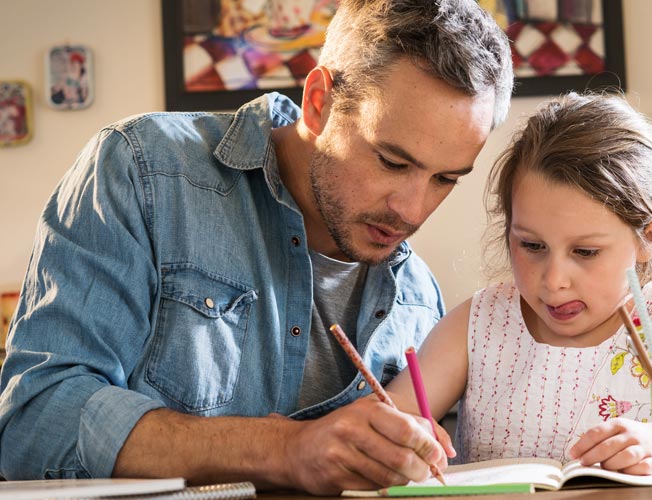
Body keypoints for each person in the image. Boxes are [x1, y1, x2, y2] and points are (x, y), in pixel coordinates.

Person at [0, 0, 513, 494]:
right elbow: (34, 420)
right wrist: (286, 450)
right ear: (319, 102)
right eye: (392, 162)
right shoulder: (144, 171)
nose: (412, 209)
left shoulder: (419, 300)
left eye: (446, 178)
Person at [385, 92, 652, 474]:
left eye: (585, 252)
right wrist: (401, 435)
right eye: (532, 245)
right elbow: (391, 414)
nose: (555, 280)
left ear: (648, 238)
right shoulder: (477, 324)